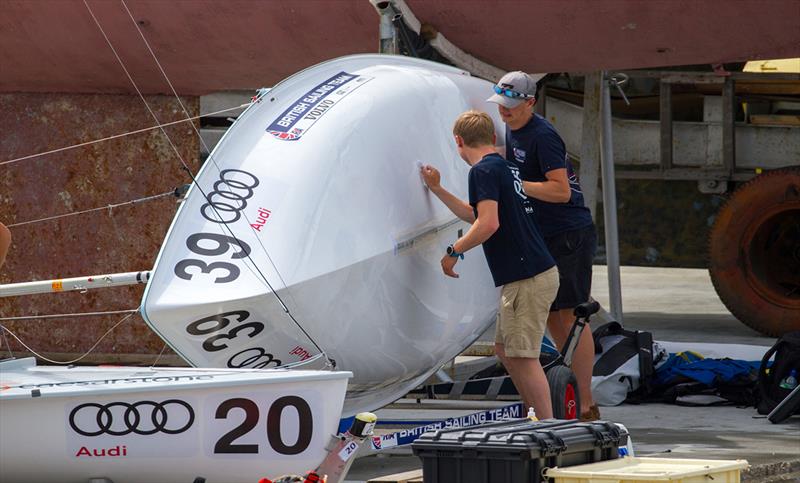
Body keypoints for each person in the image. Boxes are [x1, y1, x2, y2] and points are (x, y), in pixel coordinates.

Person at [420, 110, 559, 418]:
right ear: (493, 138)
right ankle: (534, 416)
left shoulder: (482, 172)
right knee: (507, 351)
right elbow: (477, 215)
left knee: (523, 356)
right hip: (531, 273)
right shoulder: (503, 167)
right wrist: (438, 189)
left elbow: (489, 224)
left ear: (458, 141)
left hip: (528, 276)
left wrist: (453, 250)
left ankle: (546, 425)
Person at [488, 71, 600, 421]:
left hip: (567, 234)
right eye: (500, 105)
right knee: (552, 316)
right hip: (541, 233)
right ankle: (557, 394)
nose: (504, 112)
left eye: (510, 106)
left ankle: (585, 402)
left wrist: (514, 182)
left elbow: (561, 191)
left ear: (530, 103)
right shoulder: (510, 127)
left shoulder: (543, 135)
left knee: (570, 317)